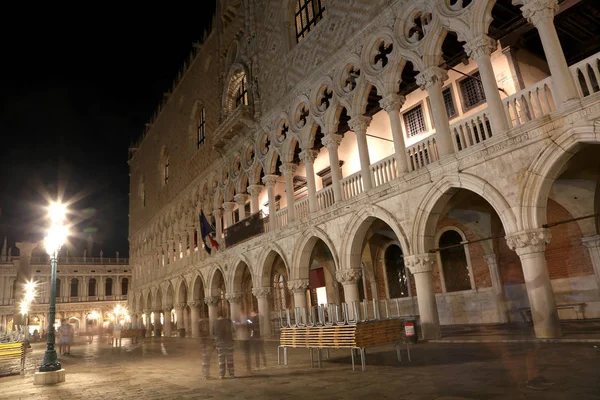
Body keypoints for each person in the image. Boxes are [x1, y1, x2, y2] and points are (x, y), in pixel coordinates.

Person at [214, 312, 234, 379]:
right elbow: (233, 330)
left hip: (220, 343)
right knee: (230, 359)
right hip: (229, 342)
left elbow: (214, 332)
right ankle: (231, 374)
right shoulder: (228, 321)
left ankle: (221, 374)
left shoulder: (216, 323)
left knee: (221, 359)